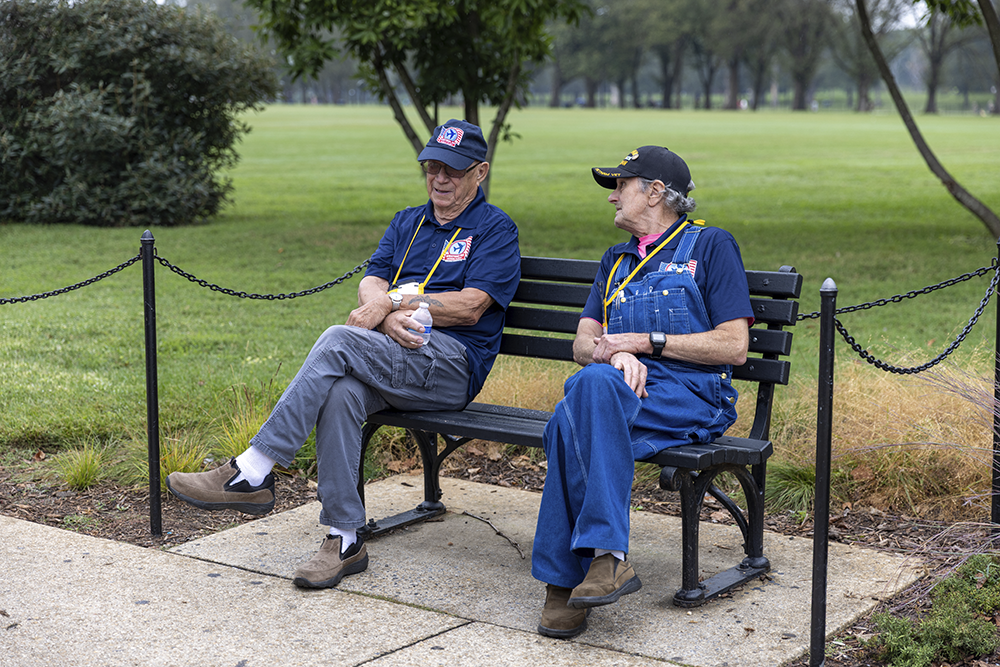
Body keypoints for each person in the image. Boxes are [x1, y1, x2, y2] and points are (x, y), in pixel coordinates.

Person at [167, 119, 520, 590]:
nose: (439, 178)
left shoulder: (495, 229)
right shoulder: (409, 222)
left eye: (452, 170)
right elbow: (372, 278)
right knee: (341, 394)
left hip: (451, 365)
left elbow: (473, 305)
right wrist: (382, 308)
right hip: (395, 354)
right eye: (432, 166)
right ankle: (345, 537)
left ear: (480, 172)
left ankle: (252, 470)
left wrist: (392, 304)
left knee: (338, 339)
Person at [531, 146, 753, 638]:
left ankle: (562, 577)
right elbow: (583, 343)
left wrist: (644, 342)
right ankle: (606, 558)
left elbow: (734, 345)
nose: (612, 197)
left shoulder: (710, 246)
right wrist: (614, 354)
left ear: (655, 192)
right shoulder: (614, 260)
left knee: (566, 422)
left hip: (690, 394)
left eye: (621, 185)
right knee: (591, 386)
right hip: (615, 391)